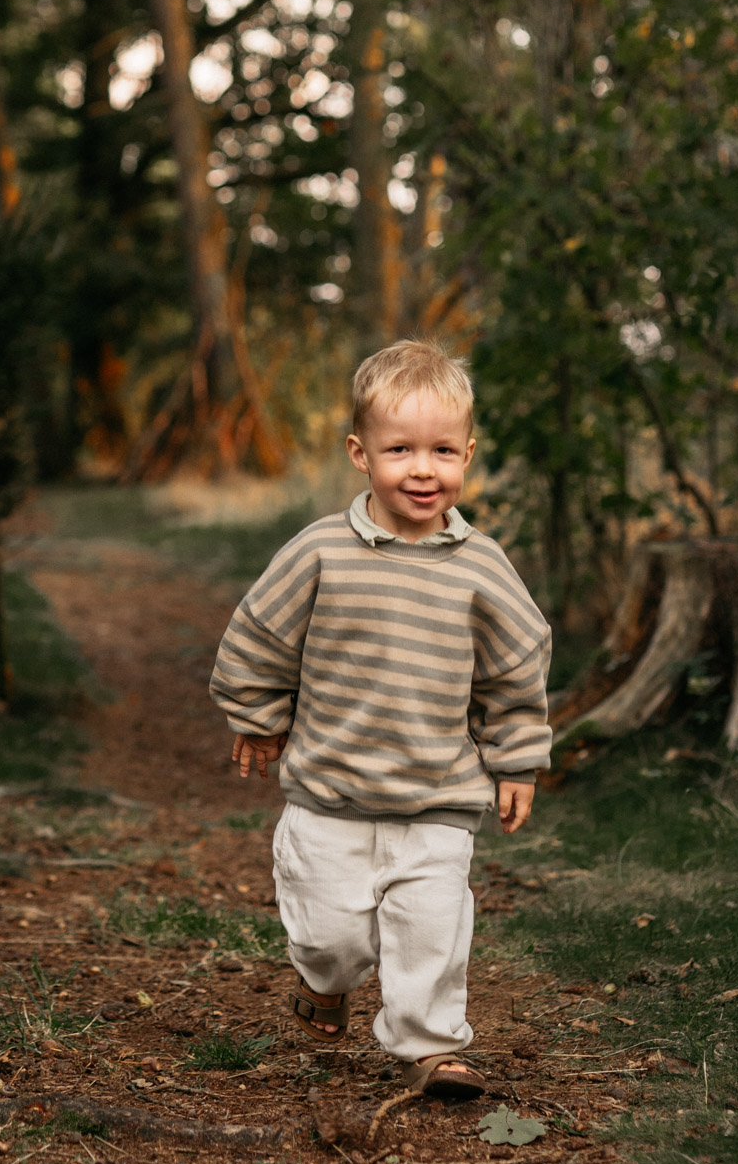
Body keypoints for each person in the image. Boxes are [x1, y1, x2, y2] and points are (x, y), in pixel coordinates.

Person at [209, 340, 552, 1099]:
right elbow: (260, 632)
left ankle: (432, 1047)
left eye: (440, 451)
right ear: (361, 454)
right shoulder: (321, 552)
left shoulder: (481, 567)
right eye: (400, 450)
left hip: (439, 798)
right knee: (331, 934)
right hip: (330, 793)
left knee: (432, 928)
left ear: (468, 452)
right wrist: (258, 715)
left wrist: (517, 759)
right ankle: (323, 983)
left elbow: (516, 667)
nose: (422, 469)